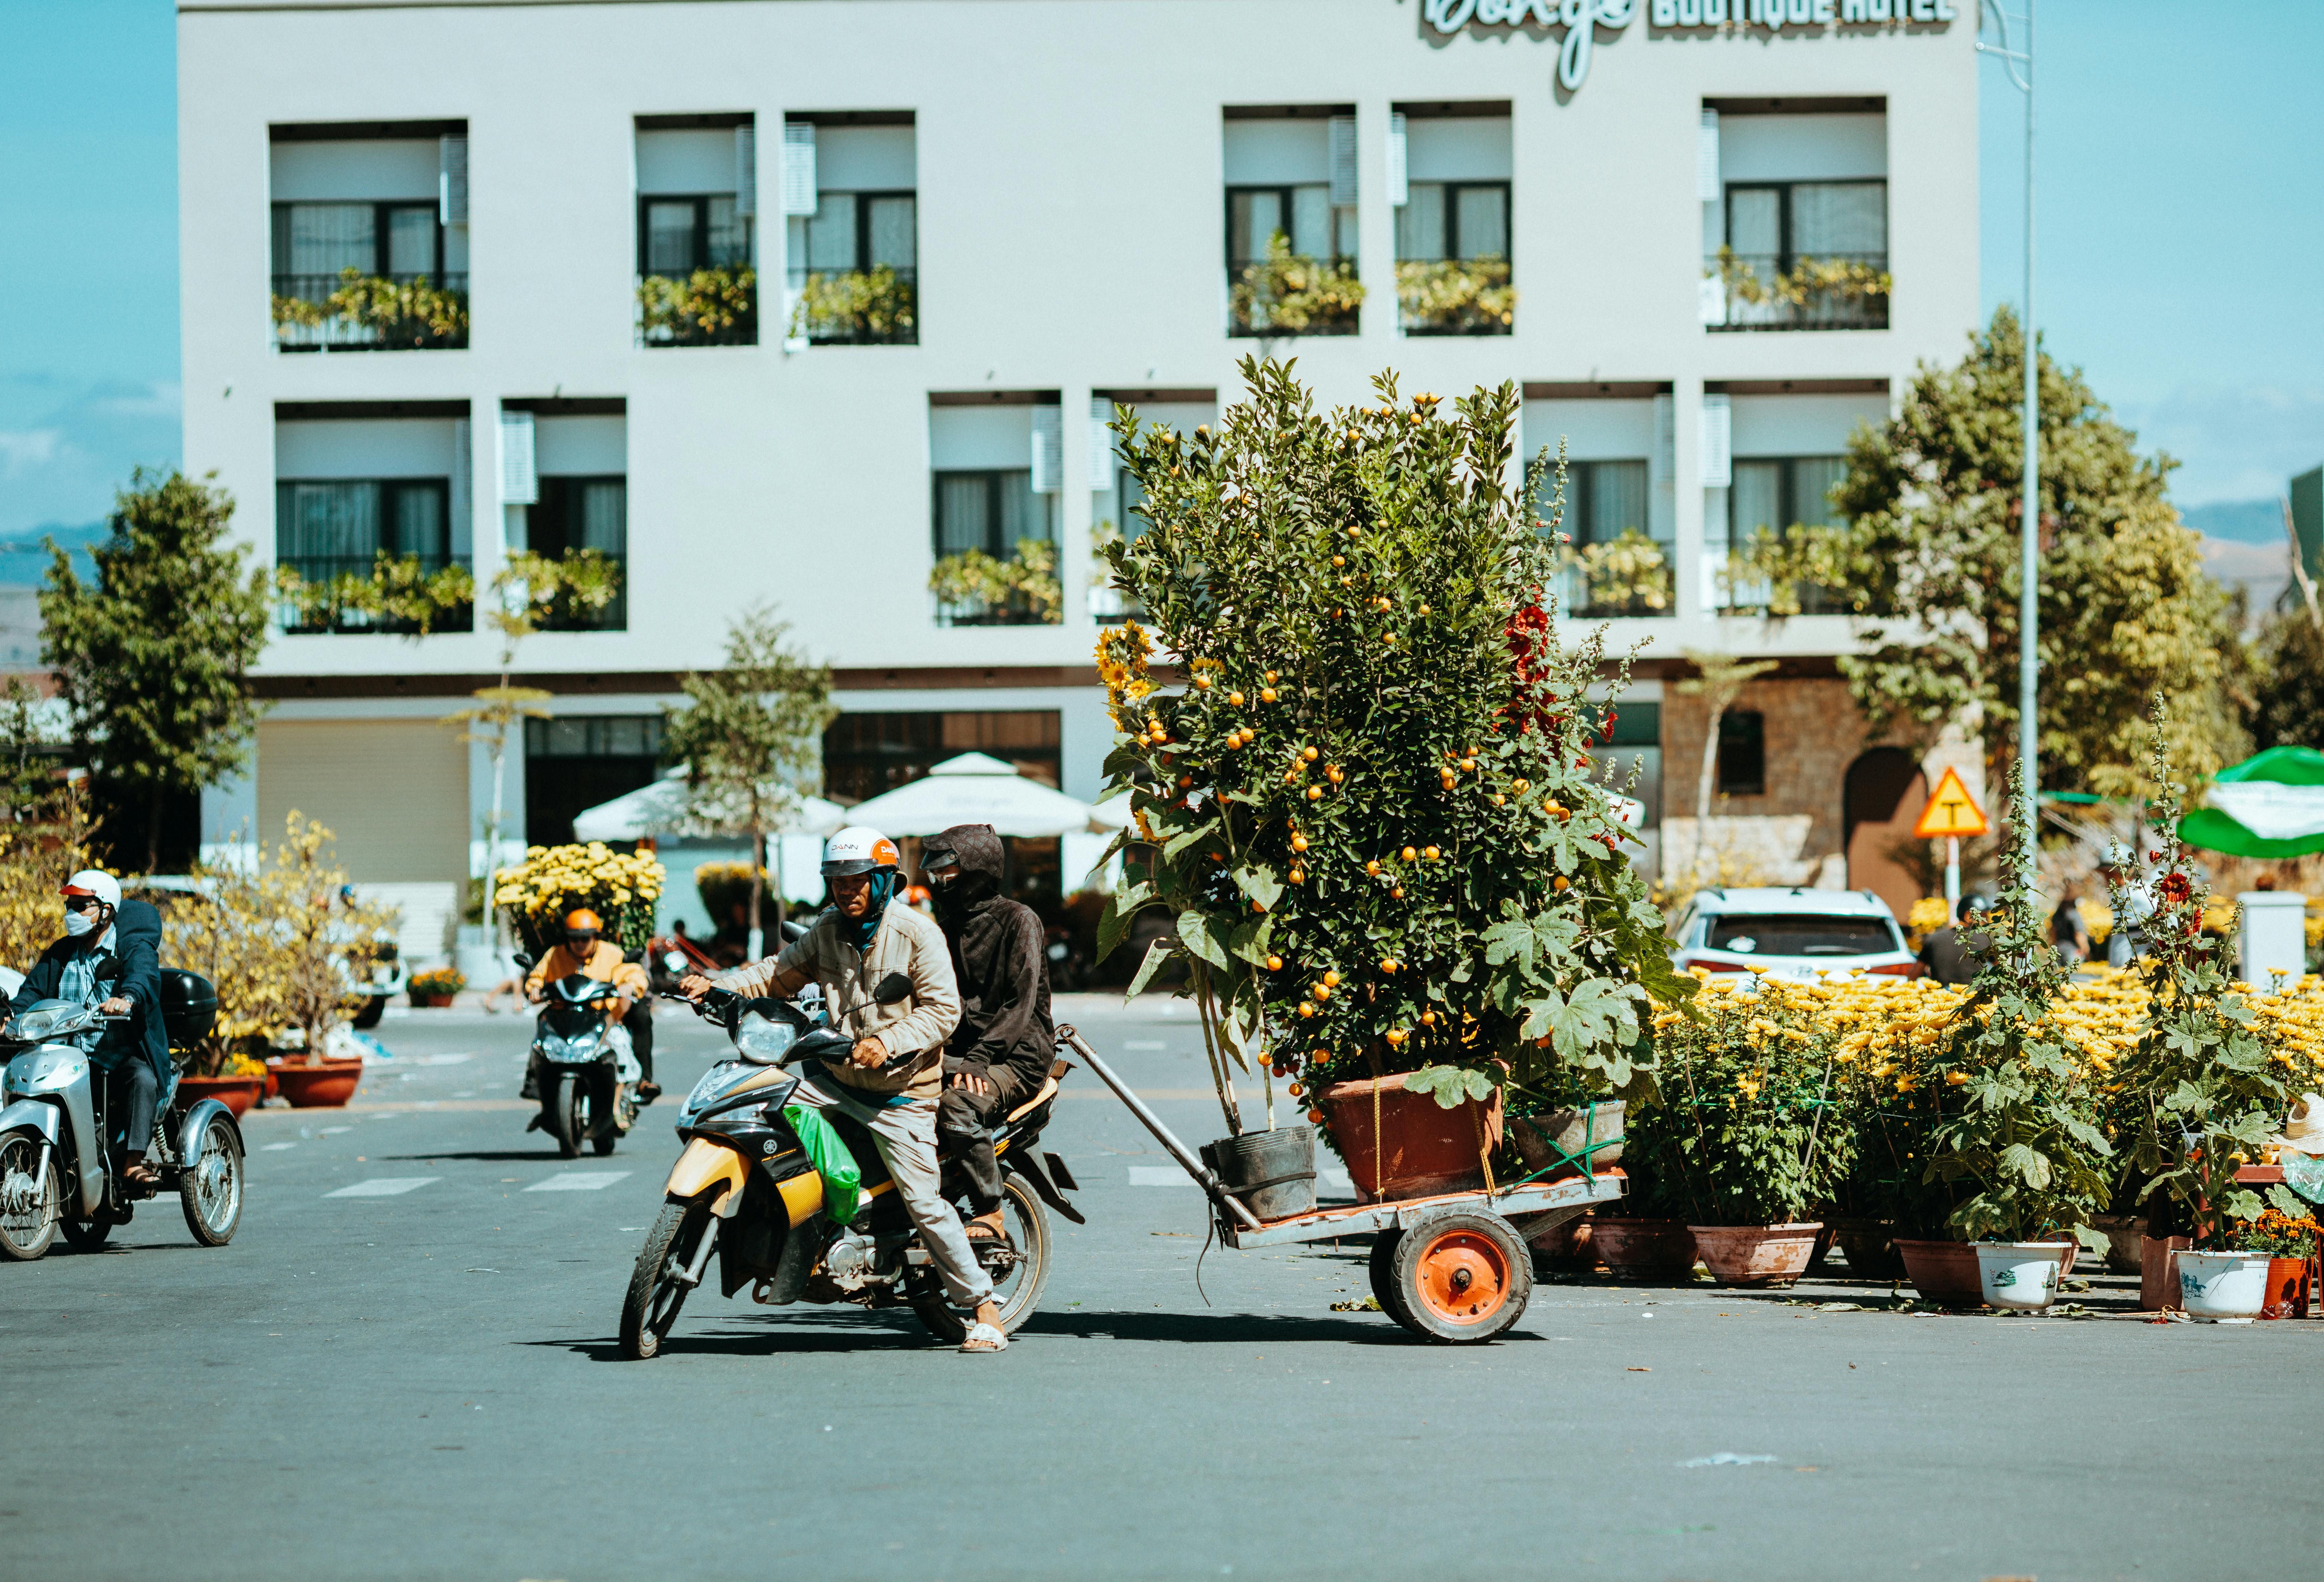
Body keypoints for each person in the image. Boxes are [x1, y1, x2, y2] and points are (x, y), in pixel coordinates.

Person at [678, 826, 1008, 1354]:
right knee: (762, 1110)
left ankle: (984, 1309)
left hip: (901, 1096)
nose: (846, 890)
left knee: (924, 1204)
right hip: (835, 1083)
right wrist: (717, 985)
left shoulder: (918, 933)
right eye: (838, 880)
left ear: (884, 881)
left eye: (858, 880)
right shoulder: (828, 929)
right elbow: (776, 973)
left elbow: (943, 1011)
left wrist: (887, 1042)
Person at [921, 823, 1054, 1246]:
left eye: (946, 872)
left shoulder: (1019, 920)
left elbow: (1021, 1001)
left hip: (1017, 1055)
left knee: (958, 1106)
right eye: (934, 873)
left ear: (975, 870)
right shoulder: (947, 926)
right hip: (966, 1052)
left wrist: (980, 1057)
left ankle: (989, 1209)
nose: (938, 881)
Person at [8, 870, 168, 1189]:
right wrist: (11, 1015)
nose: (72, 914)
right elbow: (33, 992)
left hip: (117, 1056)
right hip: (70, 1059)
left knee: (143, 1078)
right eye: (69, 906)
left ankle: (133, 1162)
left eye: (81, 906)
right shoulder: (62, 953)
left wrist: (127, 998)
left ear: (106, 911)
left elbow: (144, 976)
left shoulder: (130, 946)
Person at [526, 908, 658, 1102]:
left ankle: (641, 1082)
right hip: (566, 1014)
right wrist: (535, 988)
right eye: (574, 939)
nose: (579, 944)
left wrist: (629, 985)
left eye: (585, 938)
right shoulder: (554, 954)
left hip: (601, 1015)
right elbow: (537, 976)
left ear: (595, 937)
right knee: (543, 1027)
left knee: (635, 1024)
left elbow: (634, 973)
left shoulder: (612, 953)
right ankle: (534, 1079)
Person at [1917, 894, 1992, 986]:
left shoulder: (1933, 939)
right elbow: (2002, 971)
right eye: (1984, 917)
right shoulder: (1985, 940)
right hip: (1976, 994)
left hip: (1941, 994)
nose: (1988, 921)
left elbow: (1914, 975)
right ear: (1969, 916)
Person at [2051, 887, 2091, 964]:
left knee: (2058, 971)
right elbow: (2079, 935)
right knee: (2073, 971)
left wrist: (2054, 948)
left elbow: (2053, 933)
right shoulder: (2074, 915)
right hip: (2073, 951)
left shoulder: (2057, 915)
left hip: (2058, 949)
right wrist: (2086, 952)